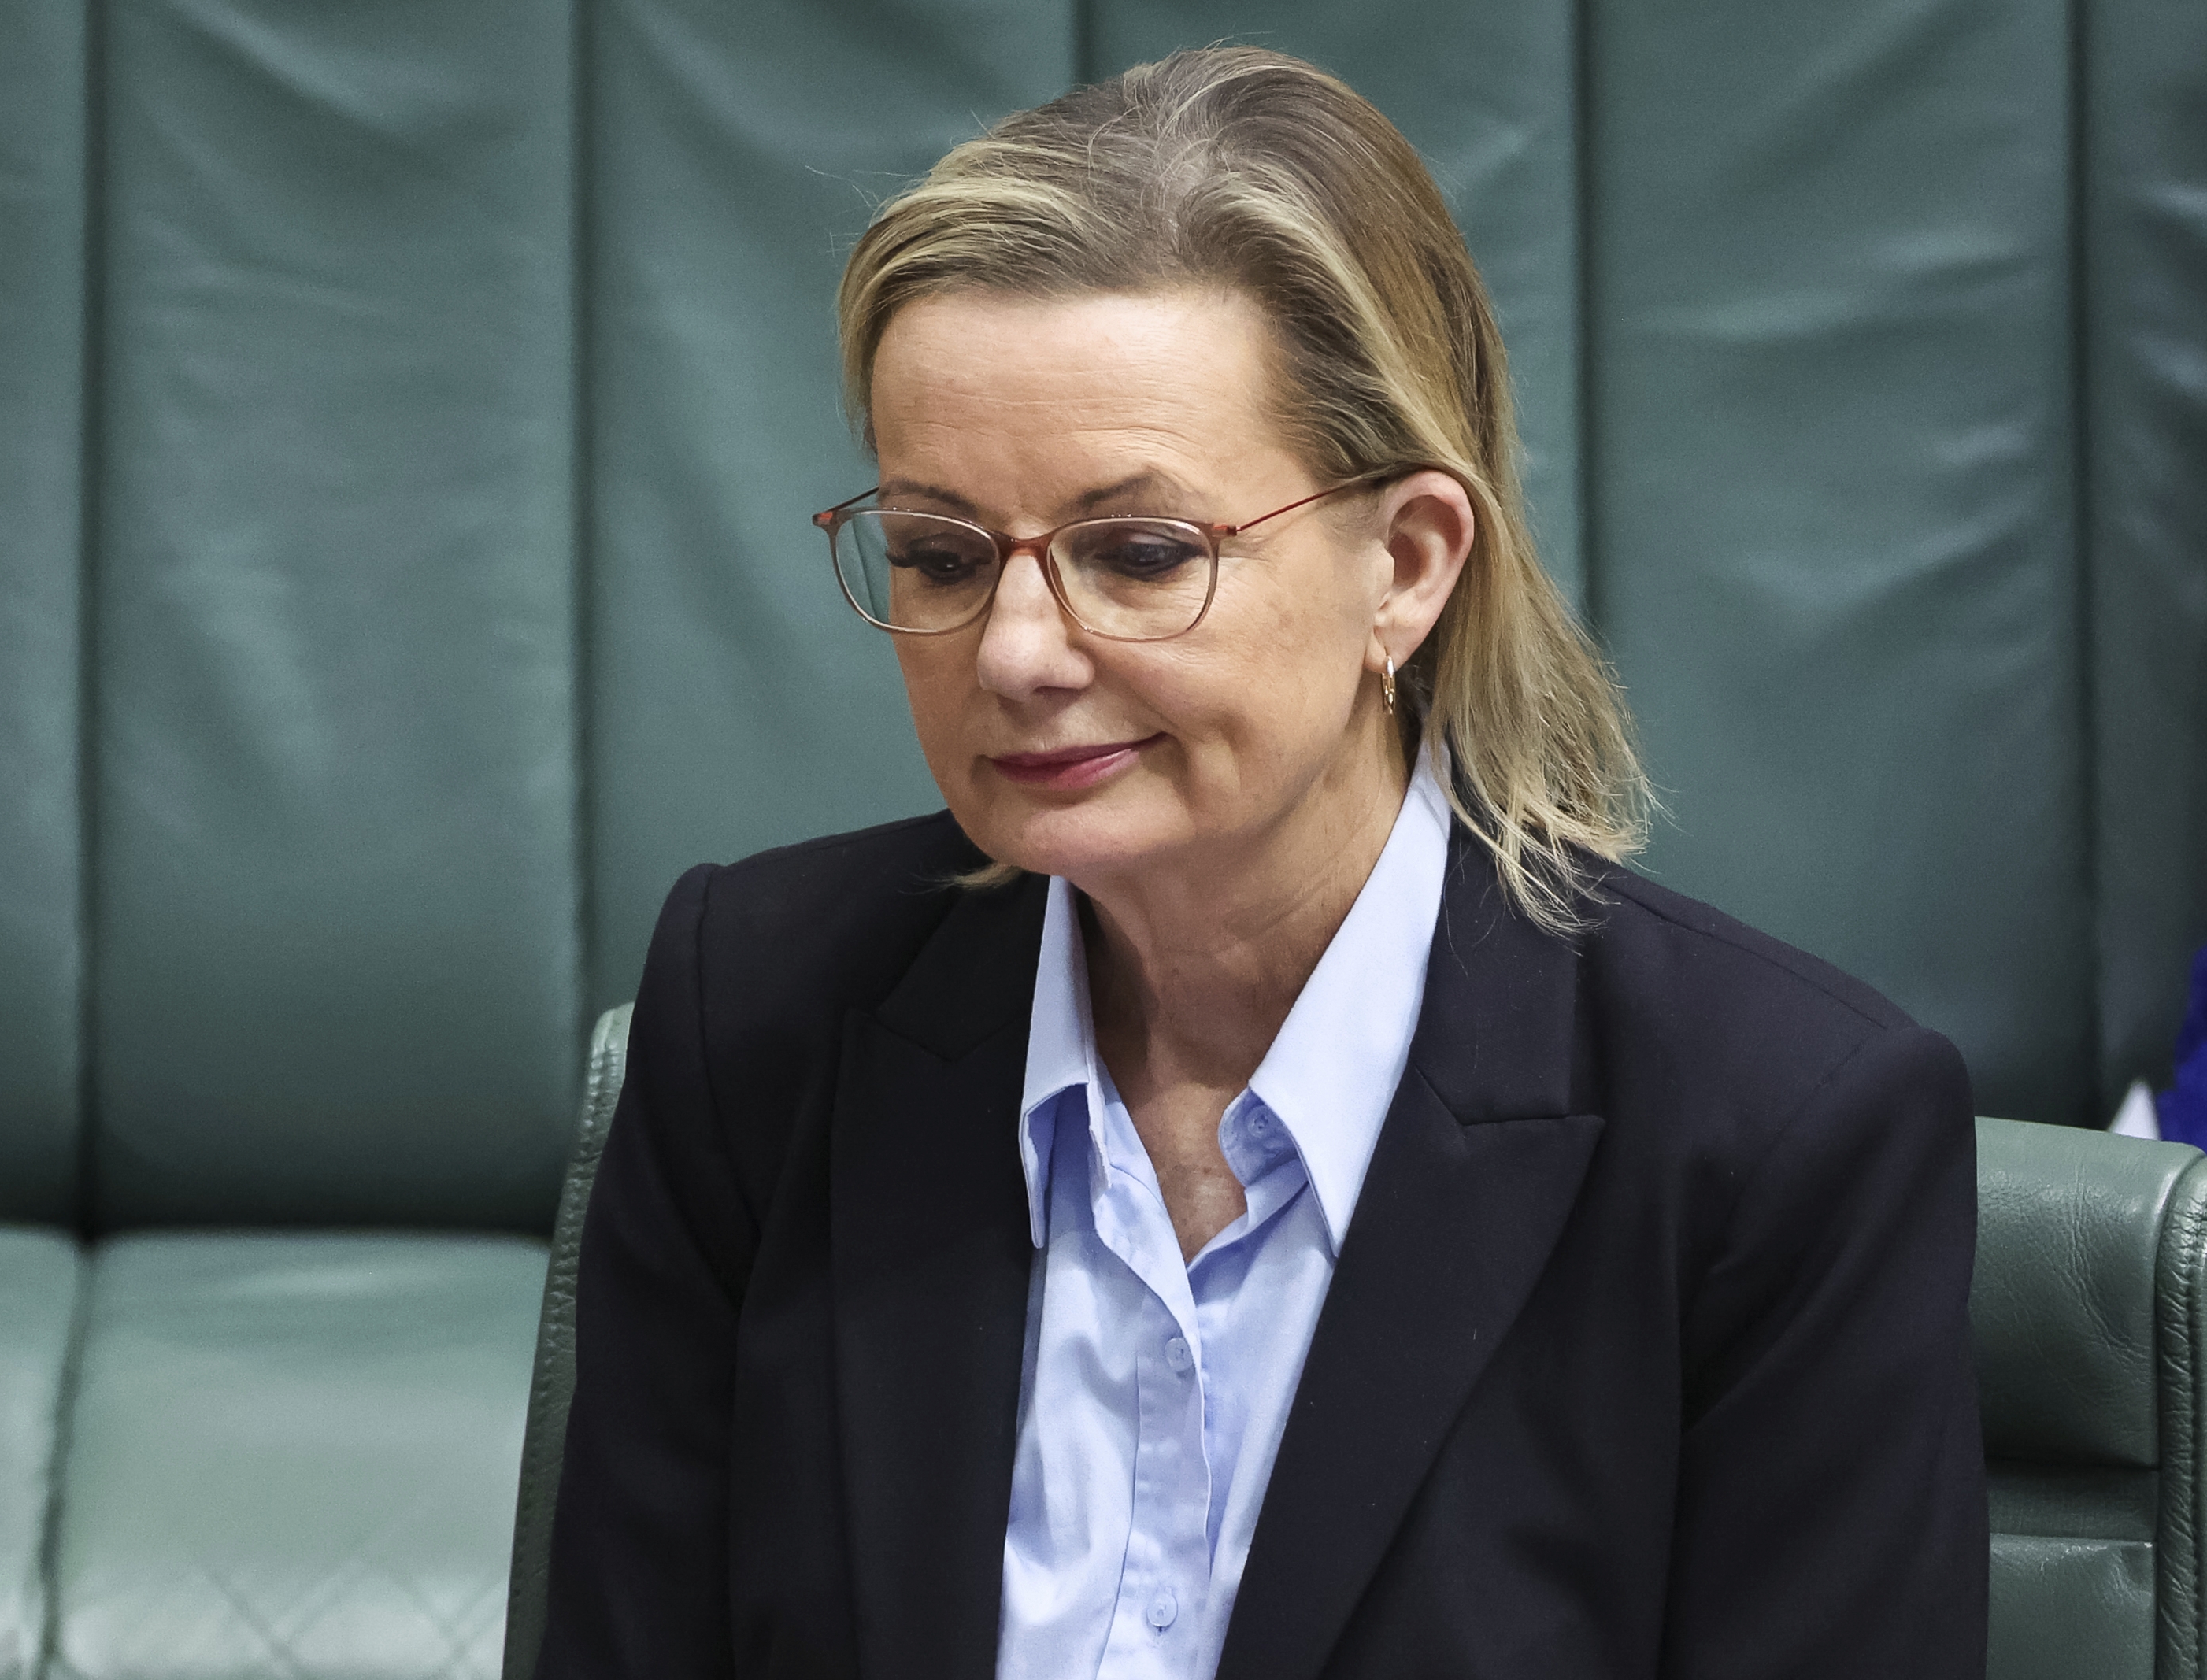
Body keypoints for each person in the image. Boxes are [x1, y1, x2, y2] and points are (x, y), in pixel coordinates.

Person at [528, 46, 1984, 1680]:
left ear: (1405, 565)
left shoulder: (1778, 1137)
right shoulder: (752, 1012)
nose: (1013, 650)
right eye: (939, 553)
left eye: (1138, 553)